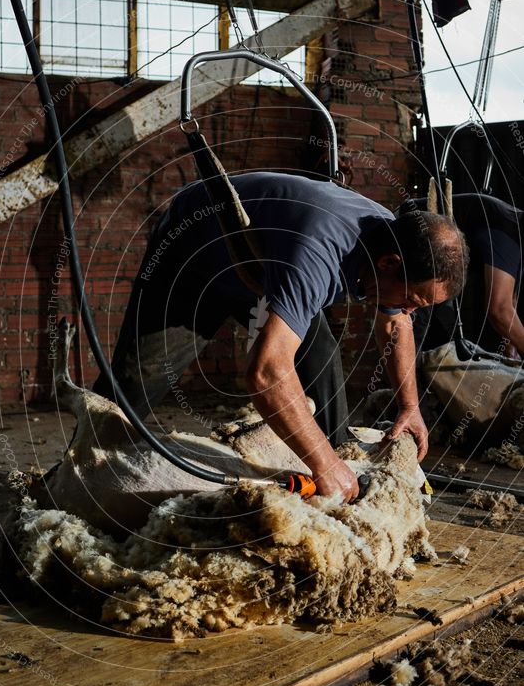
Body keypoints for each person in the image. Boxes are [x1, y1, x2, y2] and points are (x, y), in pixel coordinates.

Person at [93, 172, 468, 502]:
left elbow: (396, 322)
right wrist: (322, 463)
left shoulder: (394, 245)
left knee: (321, 364)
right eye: (413, 300)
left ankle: (340, 475)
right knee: (132, 388)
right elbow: (265, 373)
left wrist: (410, 407)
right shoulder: (317, 253)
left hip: (264, 268)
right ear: (389, 265)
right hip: (194, 260)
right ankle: (73, 479)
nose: (411, 311)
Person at [400, 194, 524, 358]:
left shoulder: (518, 235)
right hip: (411, 232)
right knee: (418, 325)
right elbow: (500, 310)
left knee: (443, 333)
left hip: (439, 258)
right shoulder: (508, 231)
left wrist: (511, 348)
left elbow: (510, 302)